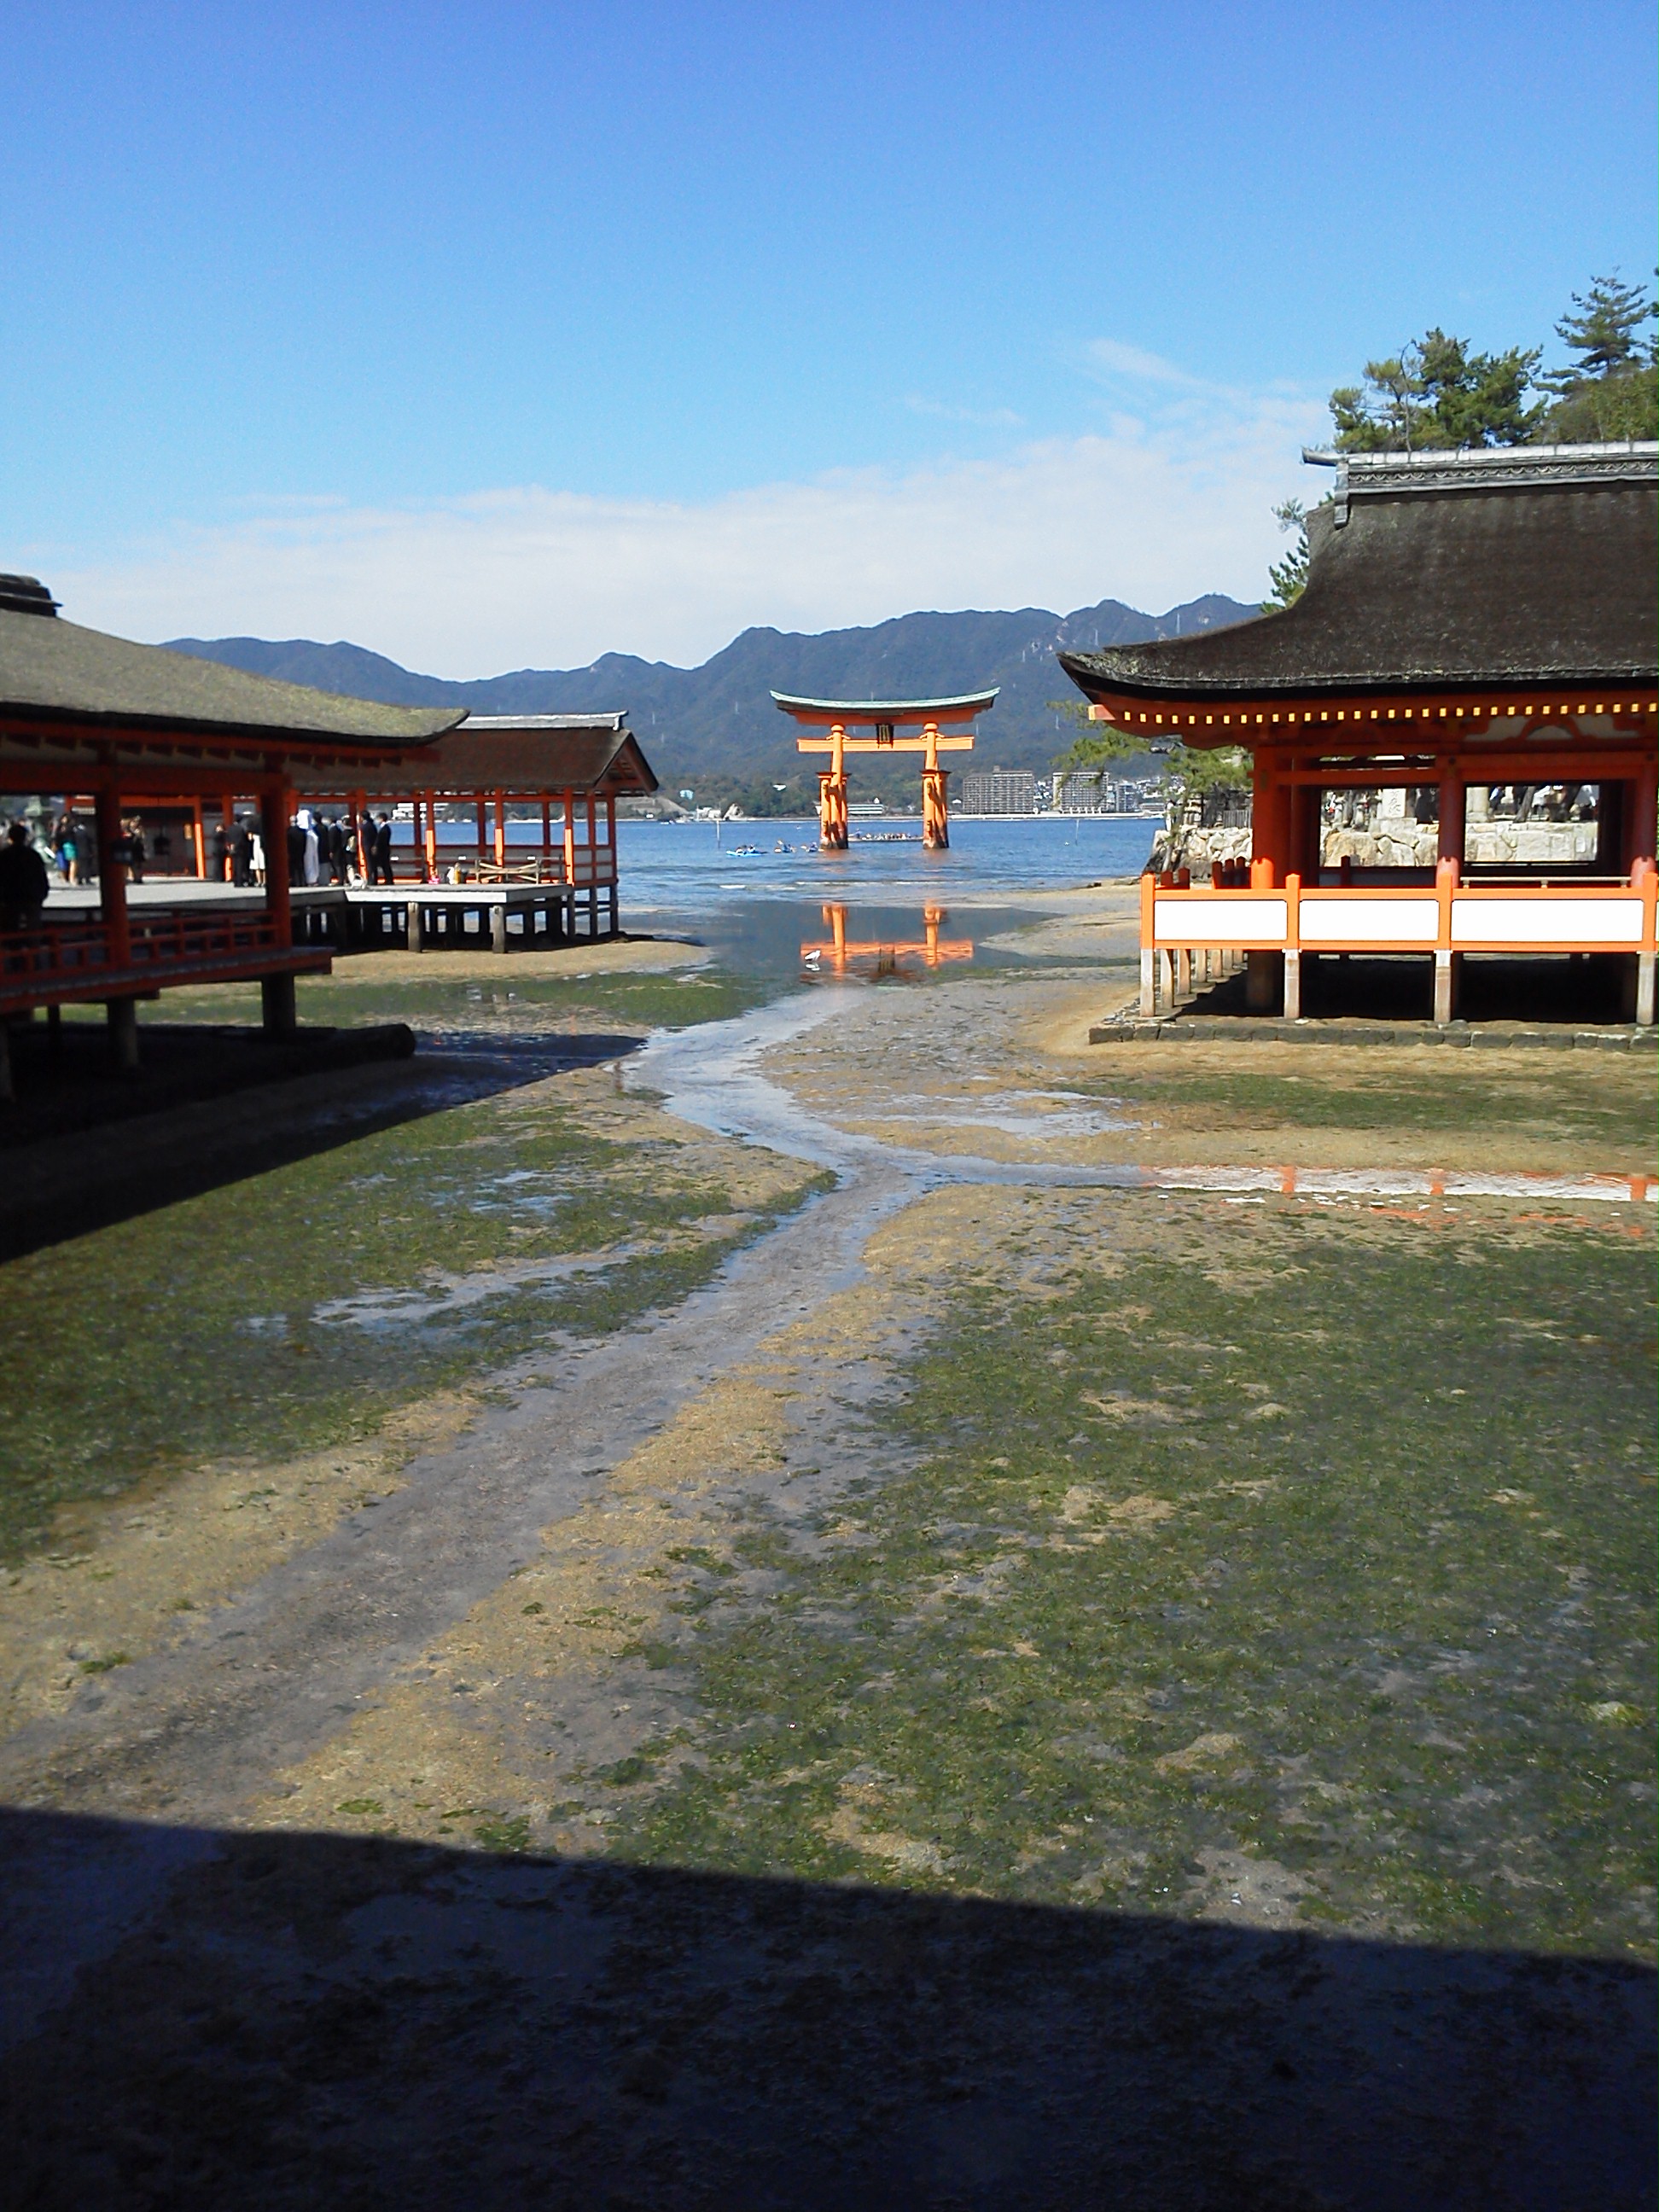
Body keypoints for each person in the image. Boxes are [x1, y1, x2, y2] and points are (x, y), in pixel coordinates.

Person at [0, 822, 50, 929]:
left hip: (10, 896)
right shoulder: (33, 855)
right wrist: (43, 892)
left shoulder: (4, 855)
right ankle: (34, 944)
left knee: (10, 925)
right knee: (33, 925)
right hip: (31, 895)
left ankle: (12, 944)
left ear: (10, 838)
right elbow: (41, 875)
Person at [372, 812, 395, 884]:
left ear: (381, 819)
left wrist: (376, 846)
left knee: (385, 865)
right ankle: (388, 879)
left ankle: (389, 880)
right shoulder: (385, 828)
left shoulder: (384, 829)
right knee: (385, 865)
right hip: (385, 849)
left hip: (383, 850)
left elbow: (381, 839)